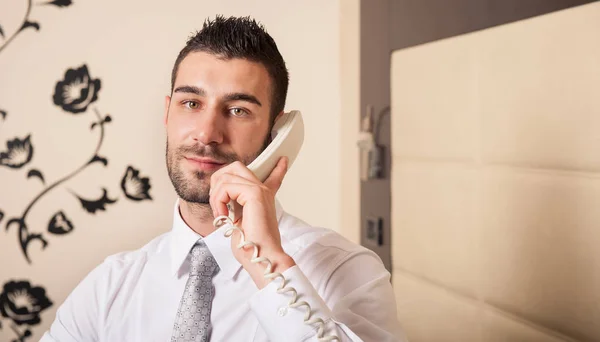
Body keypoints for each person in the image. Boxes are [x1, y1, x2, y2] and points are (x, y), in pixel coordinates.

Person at [40, 15, 405, 342]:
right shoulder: (110, 285)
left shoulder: (347, 271)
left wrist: (268, 262)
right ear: (168, 114)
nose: (207, 133)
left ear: (278, 134)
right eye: (191, 104)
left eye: (237, 110)